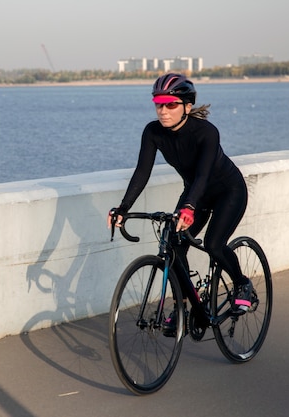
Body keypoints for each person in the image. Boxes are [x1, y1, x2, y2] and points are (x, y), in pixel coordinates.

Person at [107, 73, 253, 315]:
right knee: (173, 247)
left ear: (187, 106)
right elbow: (143, 172)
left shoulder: (206, 132)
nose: (163, 111)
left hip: (228, 191)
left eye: (171, 104)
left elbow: (203, 176)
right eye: (159, 104)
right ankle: (184, 307)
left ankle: (241, 284)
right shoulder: (153, 132)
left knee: (214, 244)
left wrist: (189, 207)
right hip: (196, 195)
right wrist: (123, 208)